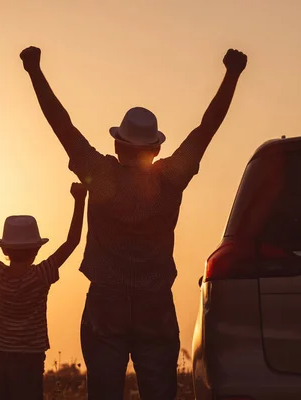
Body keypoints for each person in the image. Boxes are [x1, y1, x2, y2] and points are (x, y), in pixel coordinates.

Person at [20, 46, 247, 399]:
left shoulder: (101, 175)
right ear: (156, 149)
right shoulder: (170, 178)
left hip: (105, 305)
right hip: (155, 303)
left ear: (117, 143)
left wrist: (34, 70)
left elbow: (61, 124)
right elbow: (207, 127)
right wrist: (232, 75)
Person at [0, 180, 87, 400]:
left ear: (4, 249)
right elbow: (72, 241)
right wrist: (80, 200)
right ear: (36, 249)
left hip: (0, 357)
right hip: (31, 360)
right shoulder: (41, 275)